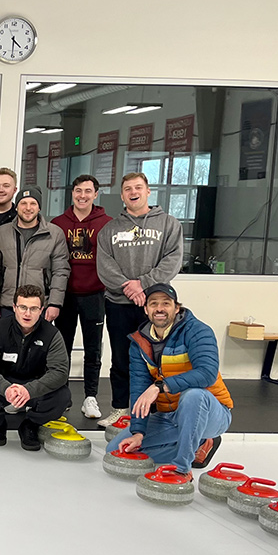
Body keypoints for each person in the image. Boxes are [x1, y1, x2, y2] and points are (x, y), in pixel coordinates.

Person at [106, 283, 233, 475]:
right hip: (170, 416)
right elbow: (140, 391)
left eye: (166, 303)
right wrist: (138, 433)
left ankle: (182, 469)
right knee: (116, 451)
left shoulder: (197, 331)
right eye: (154, 303)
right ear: (146, 309)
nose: (159, 308)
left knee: (193, 396)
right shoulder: (139, 342)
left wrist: (159, 386)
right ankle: (198, 444)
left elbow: (207, 373)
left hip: (211, 413)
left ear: (177, 308)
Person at [95, 171, 184, 427]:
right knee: (121, 358)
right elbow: (105, 265)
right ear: (122, 195)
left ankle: (156, 413)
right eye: (128, 189)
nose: (133, 193)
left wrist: (143, 285)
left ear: (148, 191)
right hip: (119, 303)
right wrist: (128, 287)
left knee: (157, 358)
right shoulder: (110, 229)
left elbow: (172, 261)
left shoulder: (168, 224)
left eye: (138, 188)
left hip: (156, 306)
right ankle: (121, 409)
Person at [0, 284, 71, 450]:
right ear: (14, 307)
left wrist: (29, 390)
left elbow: (59, 372)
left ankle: (30, 425)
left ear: (41, 310)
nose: (27, 313)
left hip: (35, 386)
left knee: (62, 396)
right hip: (4, 384)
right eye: (23, 307)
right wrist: (6, 388)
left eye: (33, 308)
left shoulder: (52, 334)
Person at [51, 174, 112, 420]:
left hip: (94, 295)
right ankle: (62, 395)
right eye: (78, 191)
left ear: (95, 194)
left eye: (88, 191)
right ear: (72, 193)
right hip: (64, 294)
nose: (82, 195)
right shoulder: (57, 223)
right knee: (61, 348)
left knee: (92, 349)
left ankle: (90, 397)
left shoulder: (106, 223)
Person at [0, 187, 70, 322]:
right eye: (23, 203)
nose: (28, 208)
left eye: (33, 203)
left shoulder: (55, 234)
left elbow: (61, 271)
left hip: (39, 306)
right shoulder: (1, 233)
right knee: (8, 342)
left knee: (38, 343)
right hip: (8, 305)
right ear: (16, 207)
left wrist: (54, 303)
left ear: (39, 207)